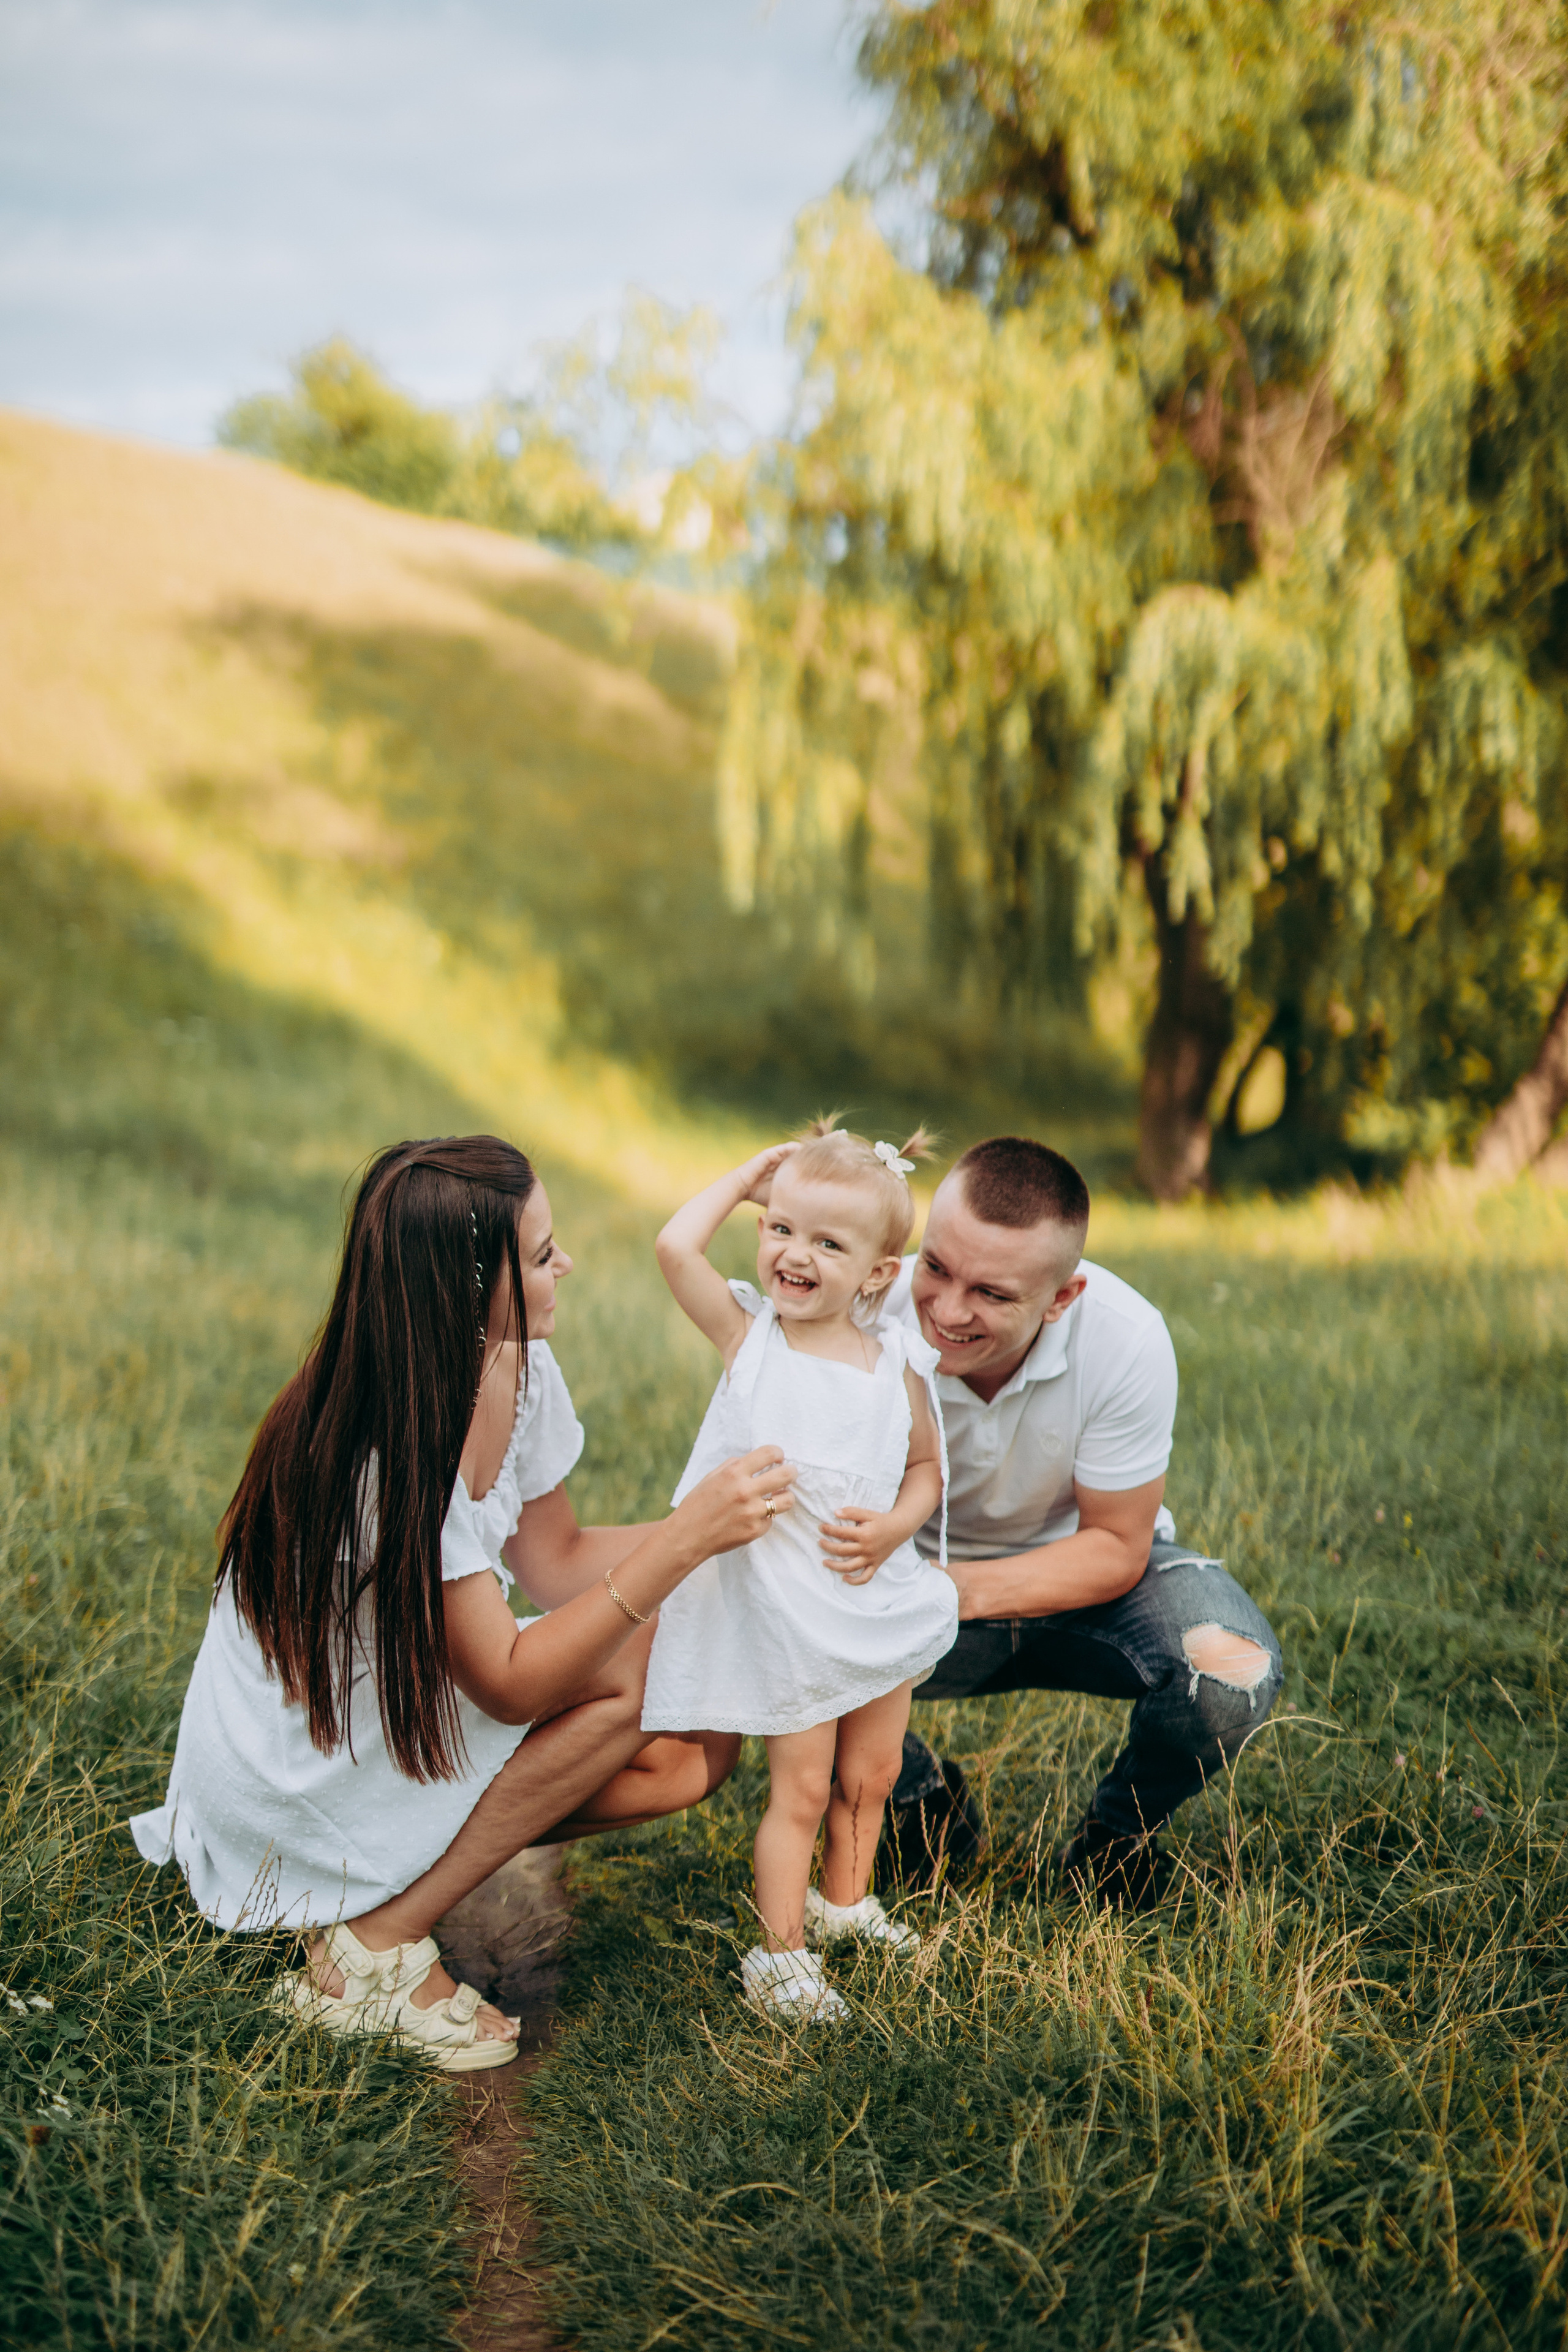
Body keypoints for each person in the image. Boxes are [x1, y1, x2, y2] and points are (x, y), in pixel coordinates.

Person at [130, 1136, 790, 2070]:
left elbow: (556, 1560)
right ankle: (375, 1949)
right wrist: (688, 1541)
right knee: (648, 1664)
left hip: (378, 1710)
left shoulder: (510, 1362)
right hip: (292, 1774)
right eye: (540, 1254)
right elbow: (511, 1687)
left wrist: (757, 1532)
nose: (568, 1265)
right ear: (465, 1286)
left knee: (691, 1757)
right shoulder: (394, 1449)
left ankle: (384, 1886)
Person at [878, 1135, 1283, 1909]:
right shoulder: (863, 1310)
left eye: (992, 1295)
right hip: (907, 1584)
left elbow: (1115, 1547)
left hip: (1081, 1589)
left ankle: (1113, 1841)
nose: (946, 1310)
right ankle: (918, 1808)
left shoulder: (1126, 1339)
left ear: (1063, 1297)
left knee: (1235, 1674)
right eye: (934, 1266)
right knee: (777, 1619)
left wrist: (945, 1591)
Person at [642, 1121, 959, 2022]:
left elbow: (927, 1469)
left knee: (874, 1772)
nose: (795, 1255)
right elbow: (673, 1246)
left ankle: (846, 1902)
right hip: (790, 1609)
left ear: (877, 1276)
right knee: (805, 1787)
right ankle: (778, 1957)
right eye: (780, 1228)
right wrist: (749, 1175)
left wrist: (896, 1527)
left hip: (871, 1592)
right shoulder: (752, 1337)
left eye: (828, 1242)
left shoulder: (896, 1362)